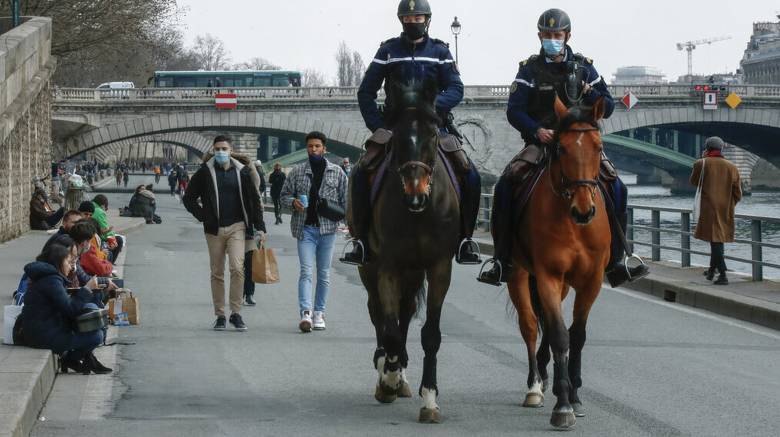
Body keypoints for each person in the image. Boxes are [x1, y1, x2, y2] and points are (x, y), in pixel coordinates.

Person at [478, 8, 649, 287]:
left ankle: (618, 259)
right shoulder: (529, 69)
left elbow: (606, 107)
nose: (552, 39)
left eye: (557, 35)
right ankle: (502, 259)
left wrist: (589, 90)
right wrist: (536, 130)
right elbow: (514, 110)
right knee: (506, 184)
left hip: (579, 143)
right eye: (547, 35)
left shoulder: (584, 67)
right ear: (540, 36)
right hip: (541, 142)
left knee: (618, 187)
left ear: (567, 36)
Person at [343, 0, 482, 266]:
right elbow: (366, 92)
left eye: (418, 17)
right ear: (401, 21)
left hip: (433, 127)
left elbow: (456, 88)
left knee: (471, 174)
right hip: (395, 129)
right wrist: (378, 127)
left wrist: (431, 108)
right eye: (408, 18)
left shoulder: (440, 51)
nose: (413, 22)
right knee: (361, 171)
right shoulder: (388, 51)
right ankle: (360, 240)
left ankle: (465, 240)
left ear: (426, 19)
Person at [183, 136, 266, 332]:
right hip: (214, 229)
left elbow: (254, 199)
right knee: (217, 272)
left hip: (237, 226)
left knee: (238, 268)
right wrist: (204, 215)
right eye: (217, 149)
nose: (220, 152)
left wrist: (260, 227)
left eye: (224, 148)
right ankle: (220, 315)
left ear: (230, 150)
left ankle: (236, 313)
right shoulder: (204, 172)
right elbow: (189, 198)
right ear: (213, 150)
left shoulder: (242, 171)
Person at [280, 131, 348, 333]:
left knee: (324, 274)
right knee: (306, 271)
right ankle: (306, 313)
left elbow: (346, 201)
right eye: (310, 146)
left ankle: (319, 312)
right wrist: (293, 202)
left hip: (328, 230)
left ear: (324, 148)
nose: (313, 149)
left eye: (317, 146)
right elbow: (284, 195)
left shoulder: (337, 172)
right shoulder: (297, 171)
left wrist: (347, 222)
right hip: (305, 230)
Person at [21, 242, 112, 374]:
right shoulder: (52, 280)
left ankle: (84, 357)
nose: (71, 266)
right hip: (43, 336)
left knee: (90, 309)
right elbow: (70, 310)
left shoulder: (48, 277)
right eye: (69, 262)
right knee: (96, 336)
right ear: (58, 262)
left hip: (42, 330)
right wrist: (87, 288)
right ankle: (70, 359)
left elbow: (64, 305)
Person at [690, 137, 742, 285]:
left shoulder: (702, 163)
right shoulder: (731, 166)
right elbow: (738, 192)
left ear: (707, 148)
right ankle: (712, 271)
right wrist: (729, 204)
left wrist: (702, 159)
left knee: (715, 240)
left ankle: (723, 274)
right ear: (721, 149)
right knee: (717, 240)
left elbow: (693, 182)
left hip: (708, 209)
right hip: (725, 208)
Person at [91, 195, 124, 262]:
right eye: (106, 208)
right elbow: (105, 231)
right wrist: (112, 236)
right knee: (119, 240)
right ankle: (110, 265)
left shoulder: (91, 206)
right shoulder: (99, 211)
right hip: (96, 238)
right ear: (103, 205)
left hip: (92, 236)